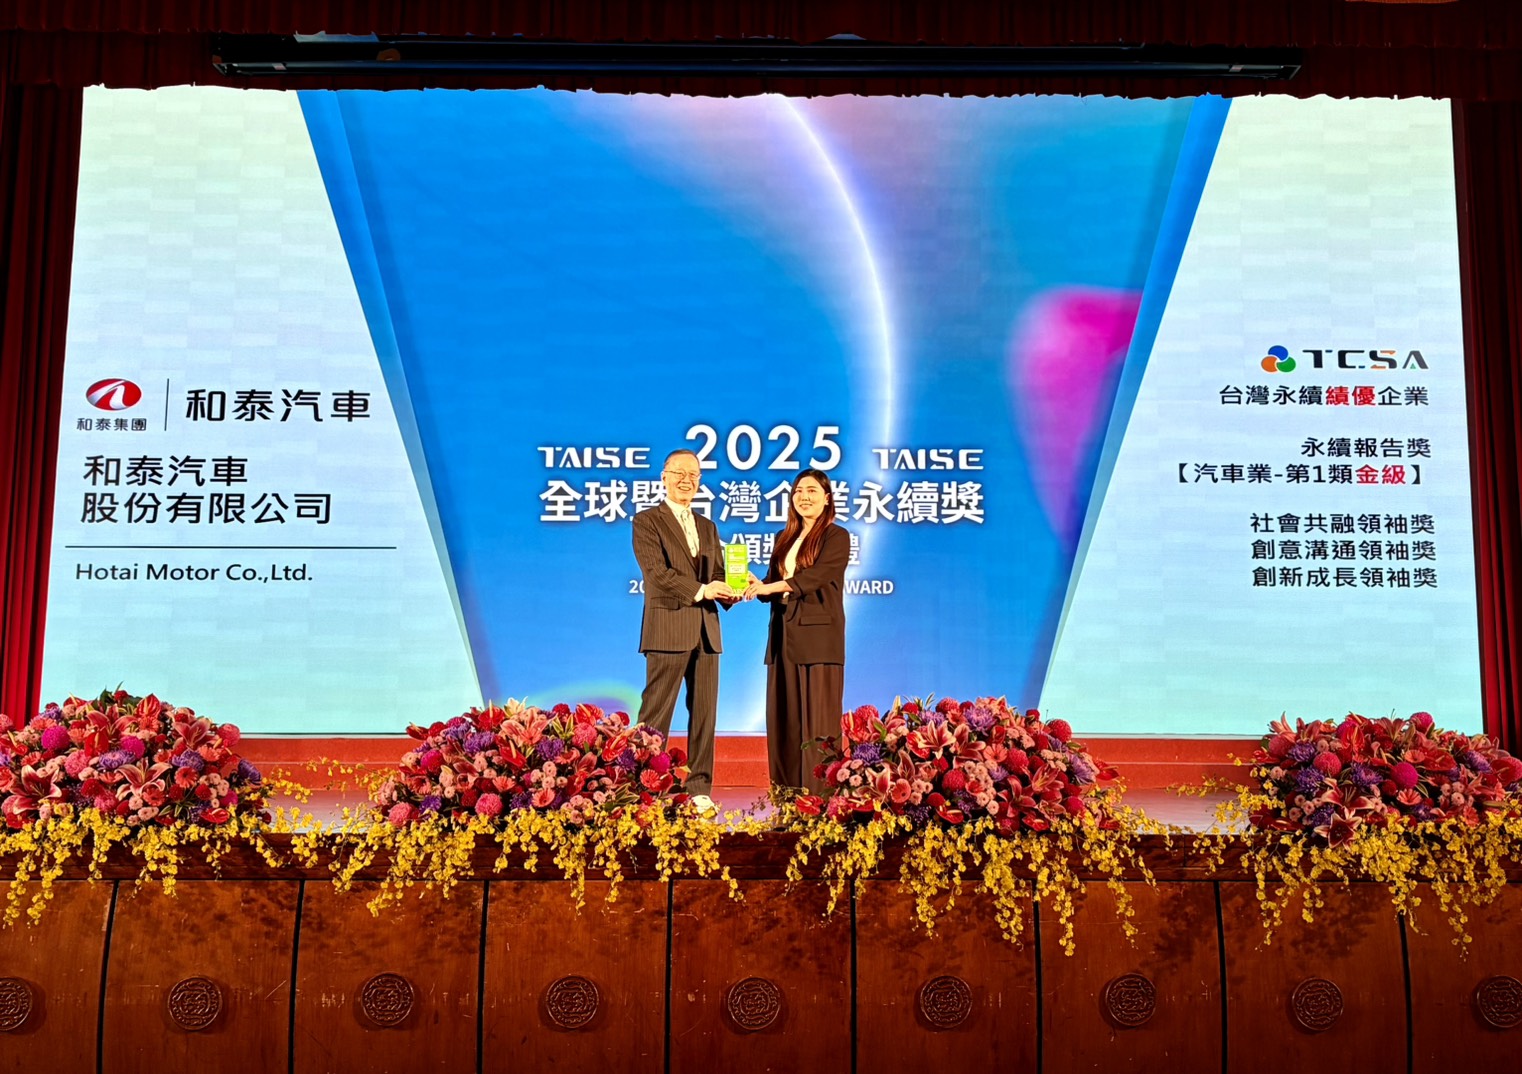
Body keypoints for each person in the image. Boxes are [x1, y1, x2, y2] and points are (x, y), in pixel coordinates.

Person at [632, 449, 734, 809]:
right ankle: (642, 790)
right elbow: (657, 574)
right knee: (655, 715)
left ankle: (699, 789)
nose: (686, 480)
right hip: (668, 629)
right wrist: (703, 590)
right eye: (679, 473)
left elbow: (717, 574)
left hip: (707, 631)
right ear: (664, 477)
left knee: (705, 717)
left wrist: (734, 588)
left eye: (693, 475)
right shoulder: (647, 521)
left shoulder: (708, 526)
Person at [744, 469, 850, 795]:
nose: (804, 497)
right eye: (799, 491)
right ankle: (787, 800)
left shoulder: (836, 536)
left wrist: (772, 586)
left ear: (827, 498)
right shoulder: (784, 537)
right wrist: (755, 586)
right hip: (782, 638)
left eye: (812, 491)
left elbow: (815, 577)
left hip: (819, 640)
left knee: (819, 728)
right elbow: (773, 584)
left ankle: (820, 801)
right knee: (784, 723)